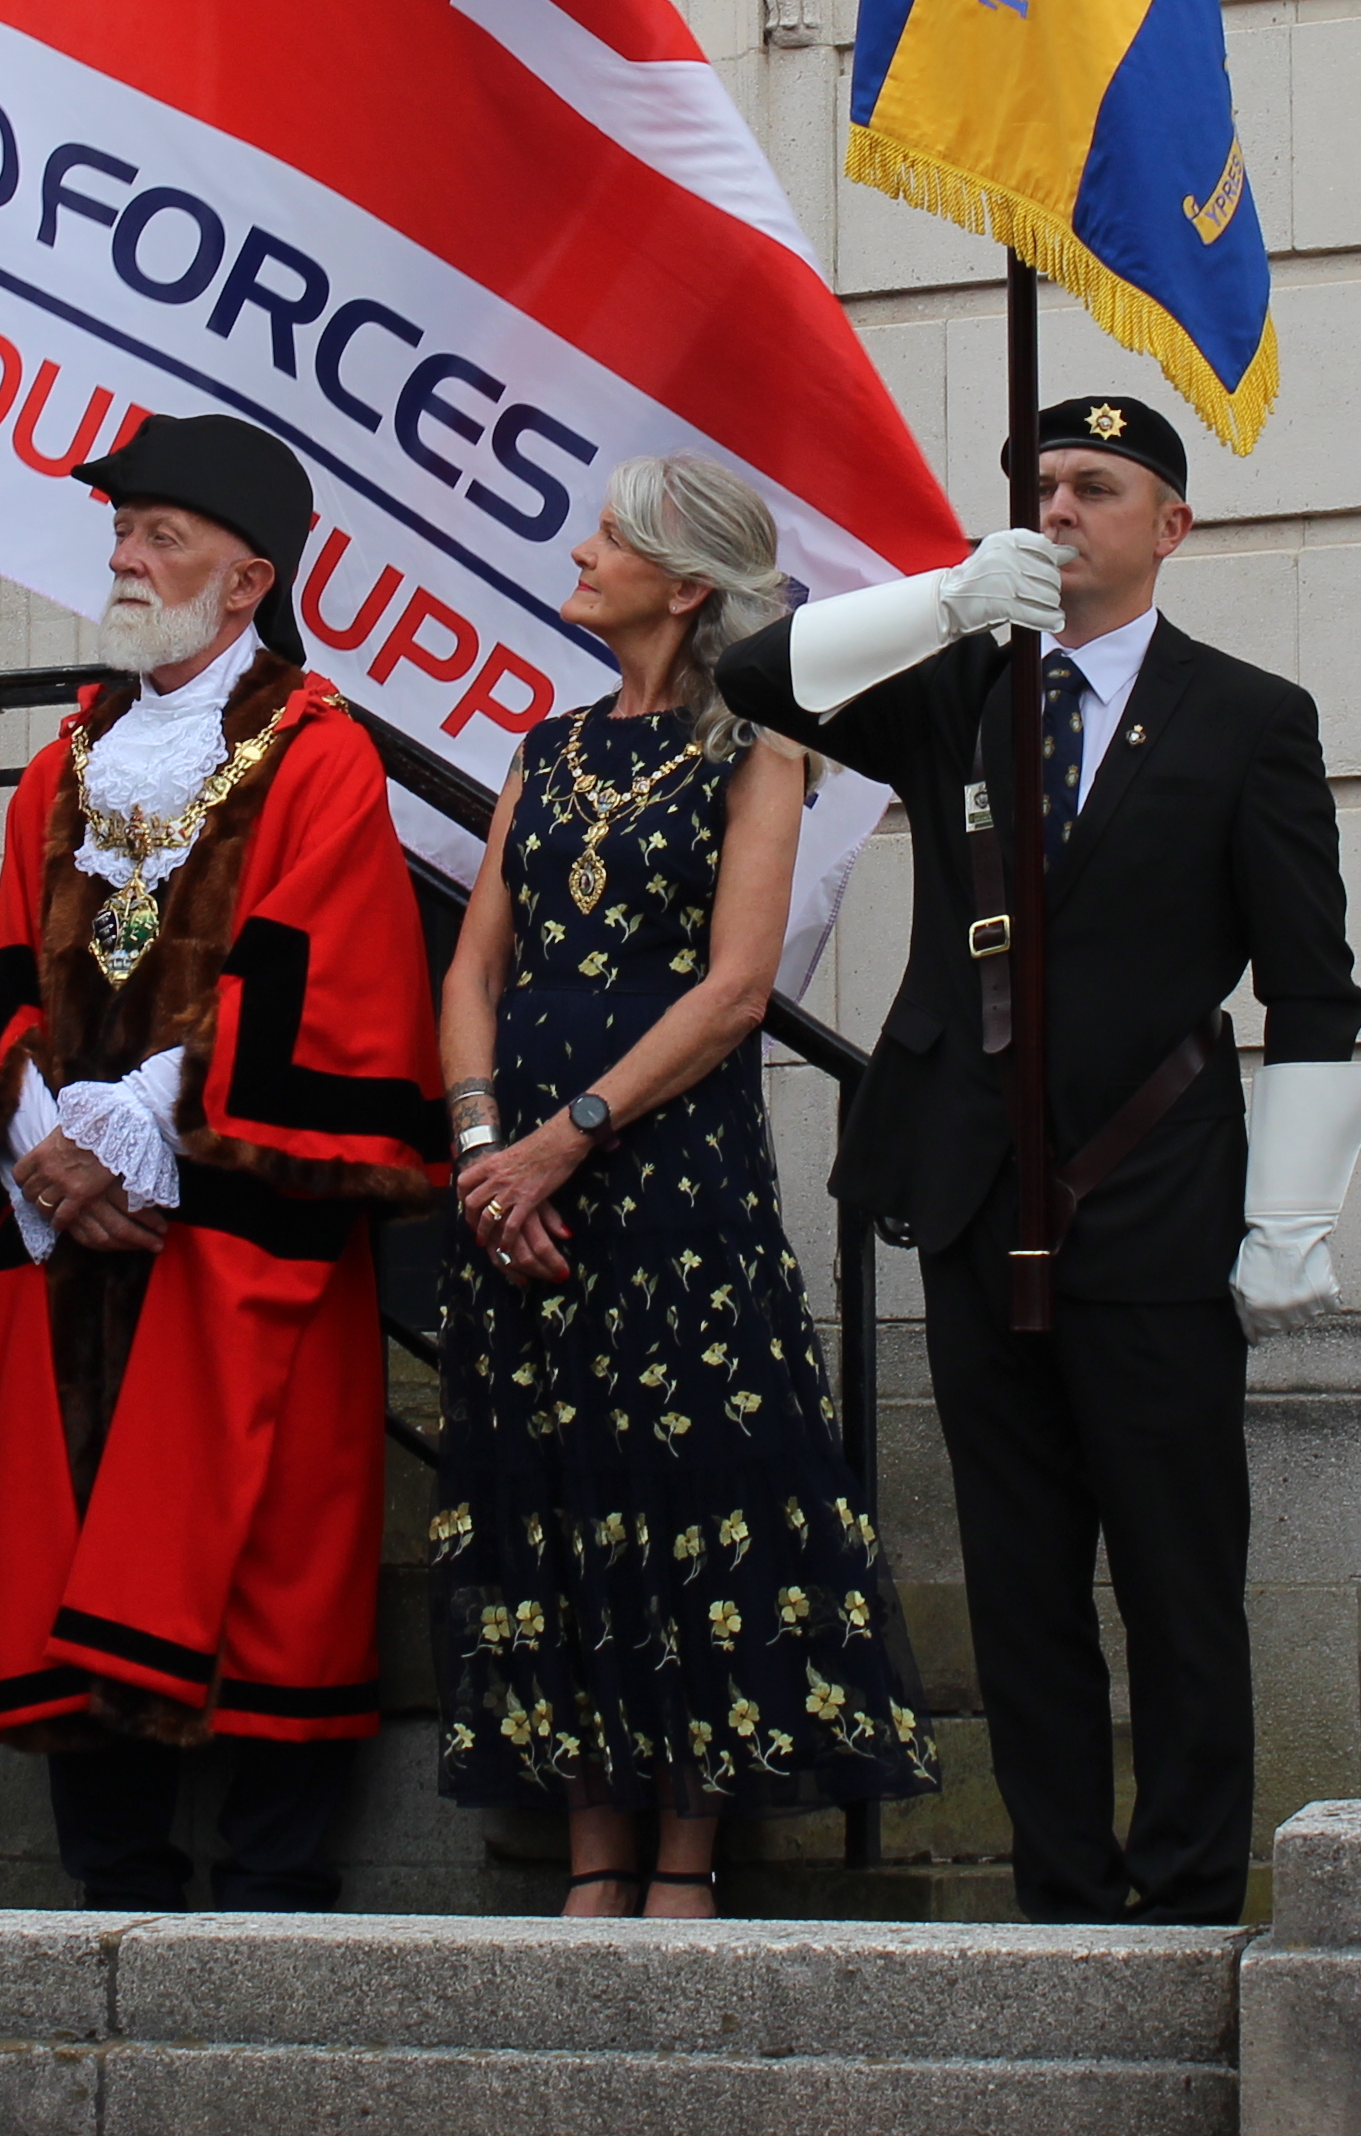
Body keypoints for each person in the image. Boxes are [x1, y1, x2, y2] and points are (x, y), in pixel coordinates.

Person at [715, 398, 1361, 1927]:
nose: (1060, 508)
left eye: (1097, 485)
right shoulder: (957, 686)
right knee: (1019, 1581)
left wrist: (1289, 1214)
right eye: (1038, 486)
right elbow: (754, 675)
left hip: (1151, 1203)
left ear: (1172, 525)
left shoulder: (1245, 717)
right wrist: (947, 599)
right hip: (969, 1192)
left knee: (1175, 1571)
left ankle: (1197, 1885)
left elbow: (1314, 985)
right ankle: (1064, 1892)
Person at [0, 411, 446, 1911]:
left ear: (250, 574)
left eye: (162, 537)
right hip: (64, 1218)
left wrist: (139, 1124)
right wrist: (38, 1141)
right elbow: (8, 964)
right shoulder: (63, 761)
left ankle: (272, 1887)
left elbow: (307, 962)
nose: (127, 561)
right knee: (65, 1509)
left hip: (227, 1215)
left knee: (265, 1519)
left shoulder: (318, 754)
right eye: (123, 534)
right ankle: (113, 1869)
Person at [434, 455, 938, 1917]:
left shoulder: (758, 751)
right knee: (554, 1489)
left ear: (688, 580)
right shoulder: (547, 745)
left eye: (612, 536)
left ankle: (683, 1862)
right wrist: (484, 1154)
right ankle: (591, 1855)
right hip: (513, 1191)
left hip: (666, 1180)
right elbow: (475, 963)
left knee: (685, 1491)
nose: (581, 552)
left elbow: (733, 990)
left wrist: (565, 1135)